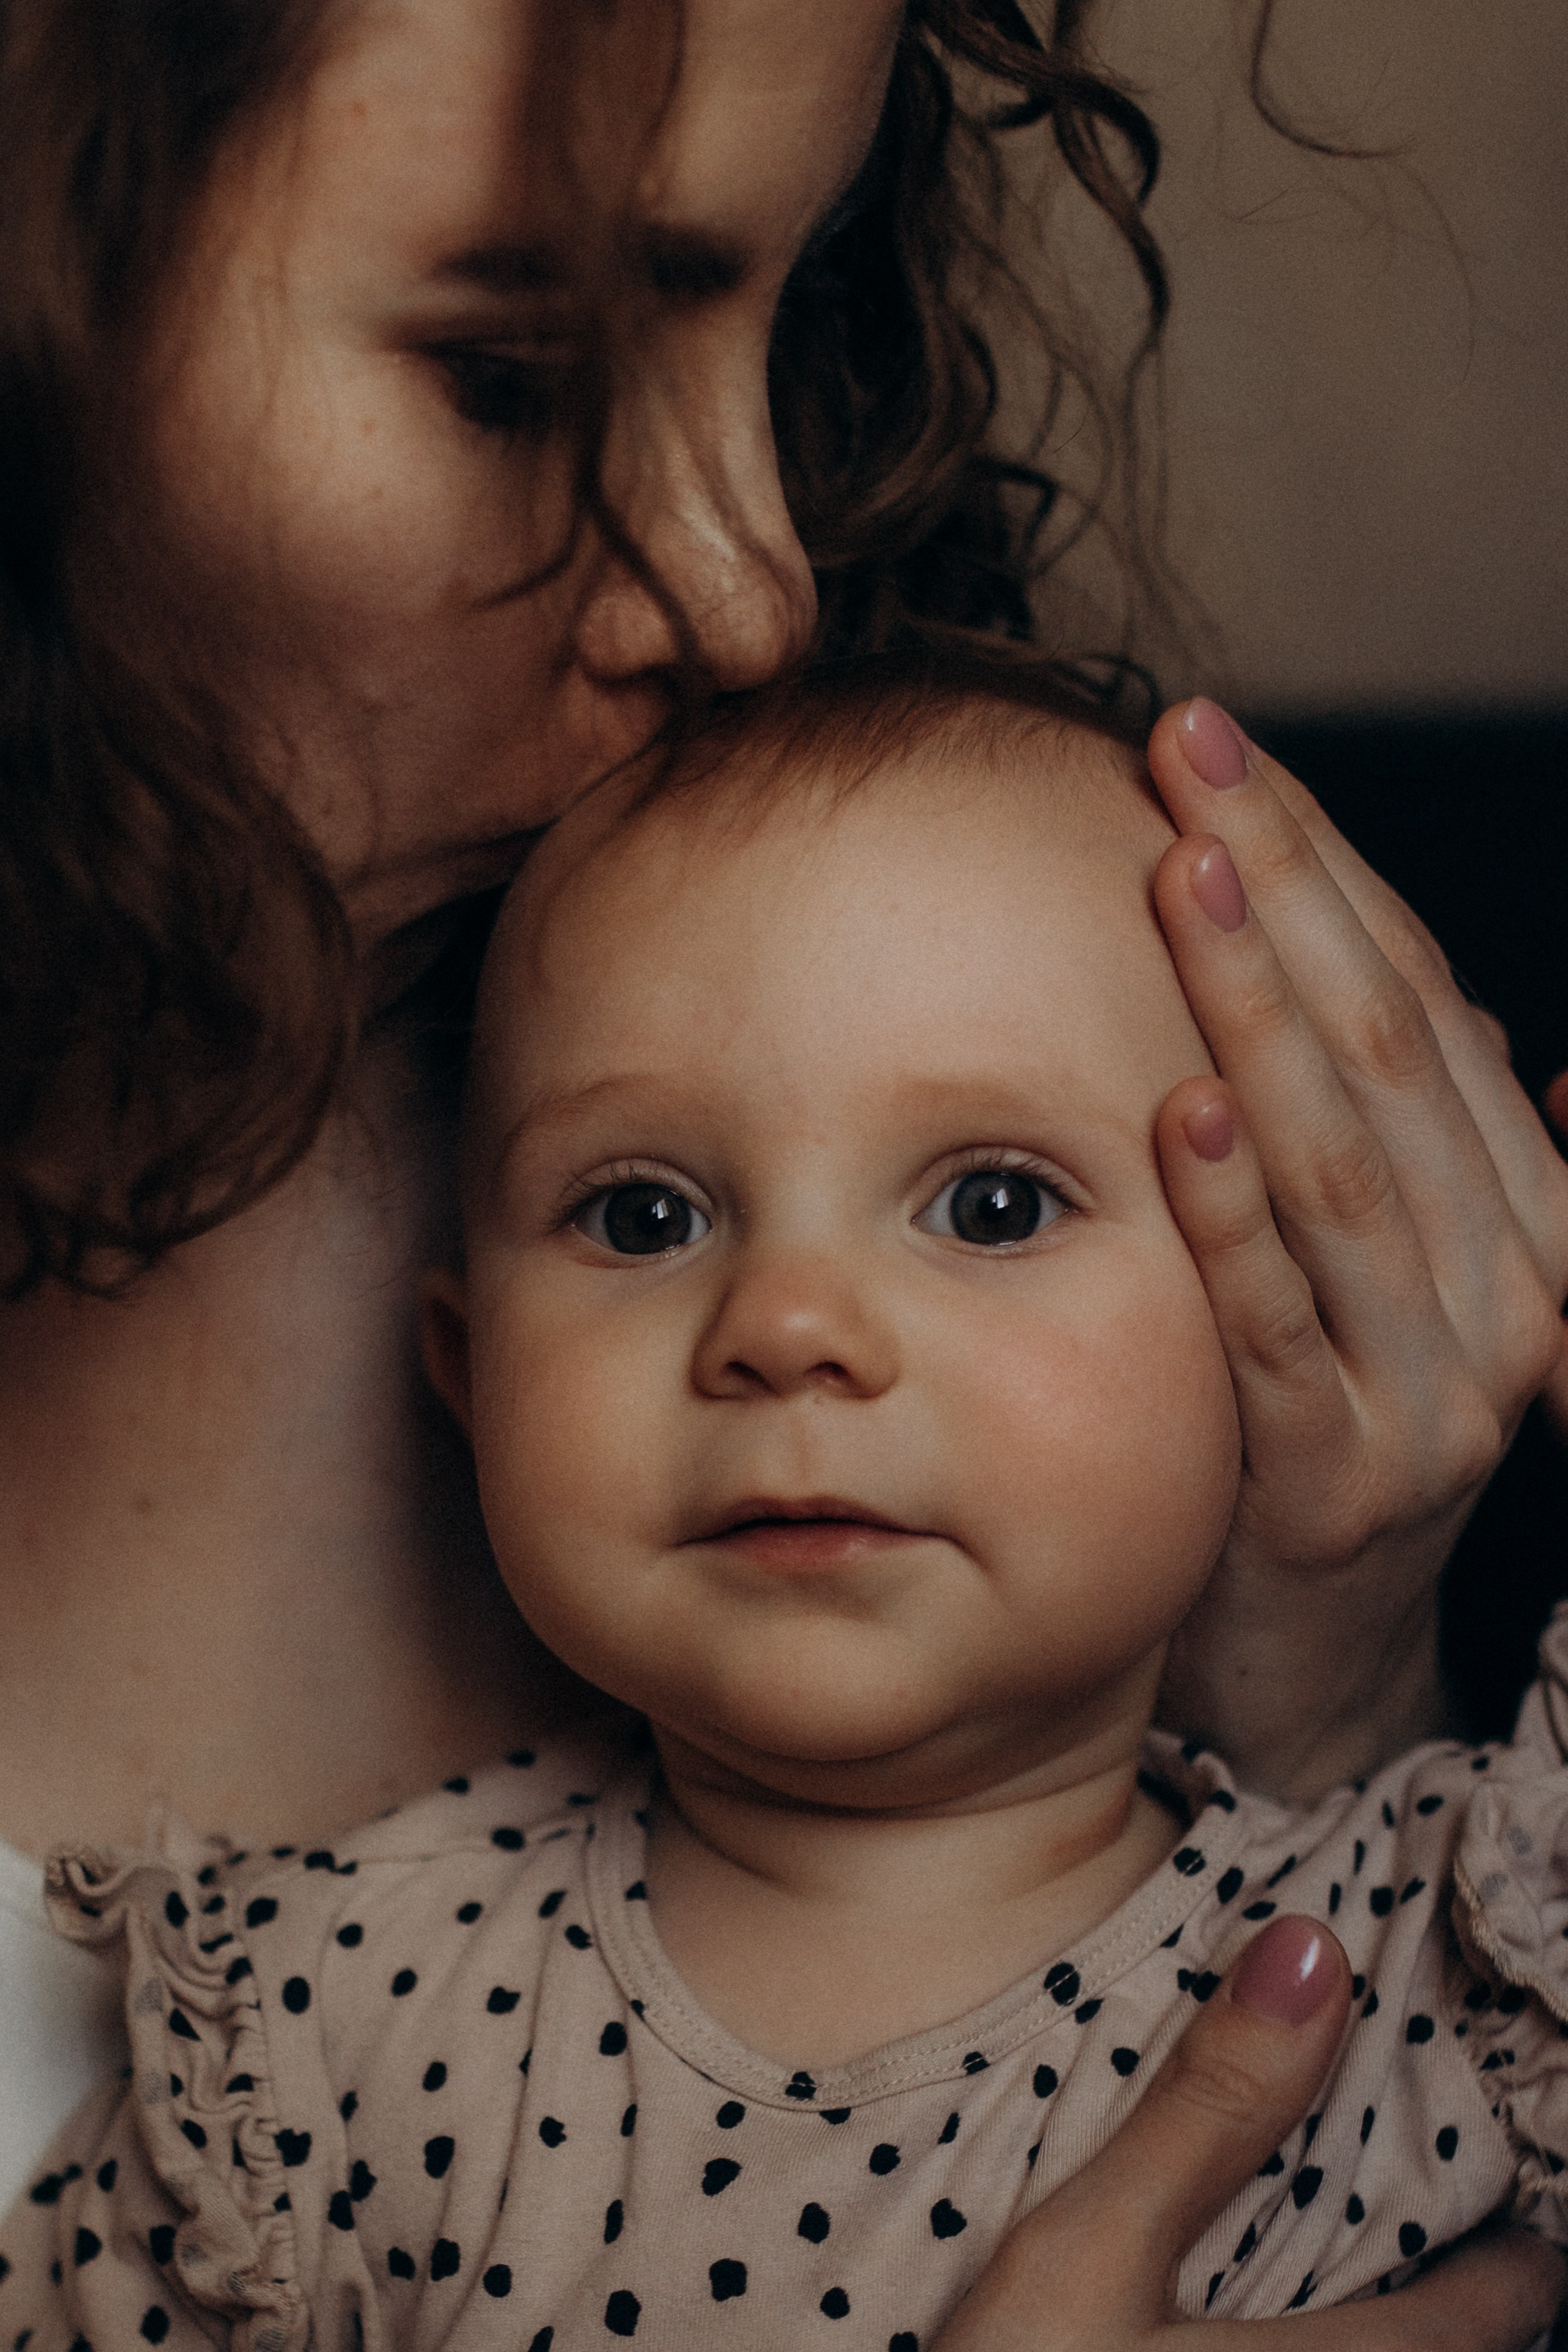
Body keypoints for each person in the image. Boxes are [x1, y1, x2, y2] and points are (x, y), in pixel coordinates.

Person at [1, 0, 1565, 2340]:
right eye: (510, 374)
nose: (752, 599)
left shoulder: (750, 958)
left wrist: (1305, 1683)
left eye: (786, 301)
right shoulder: (295, 2058)